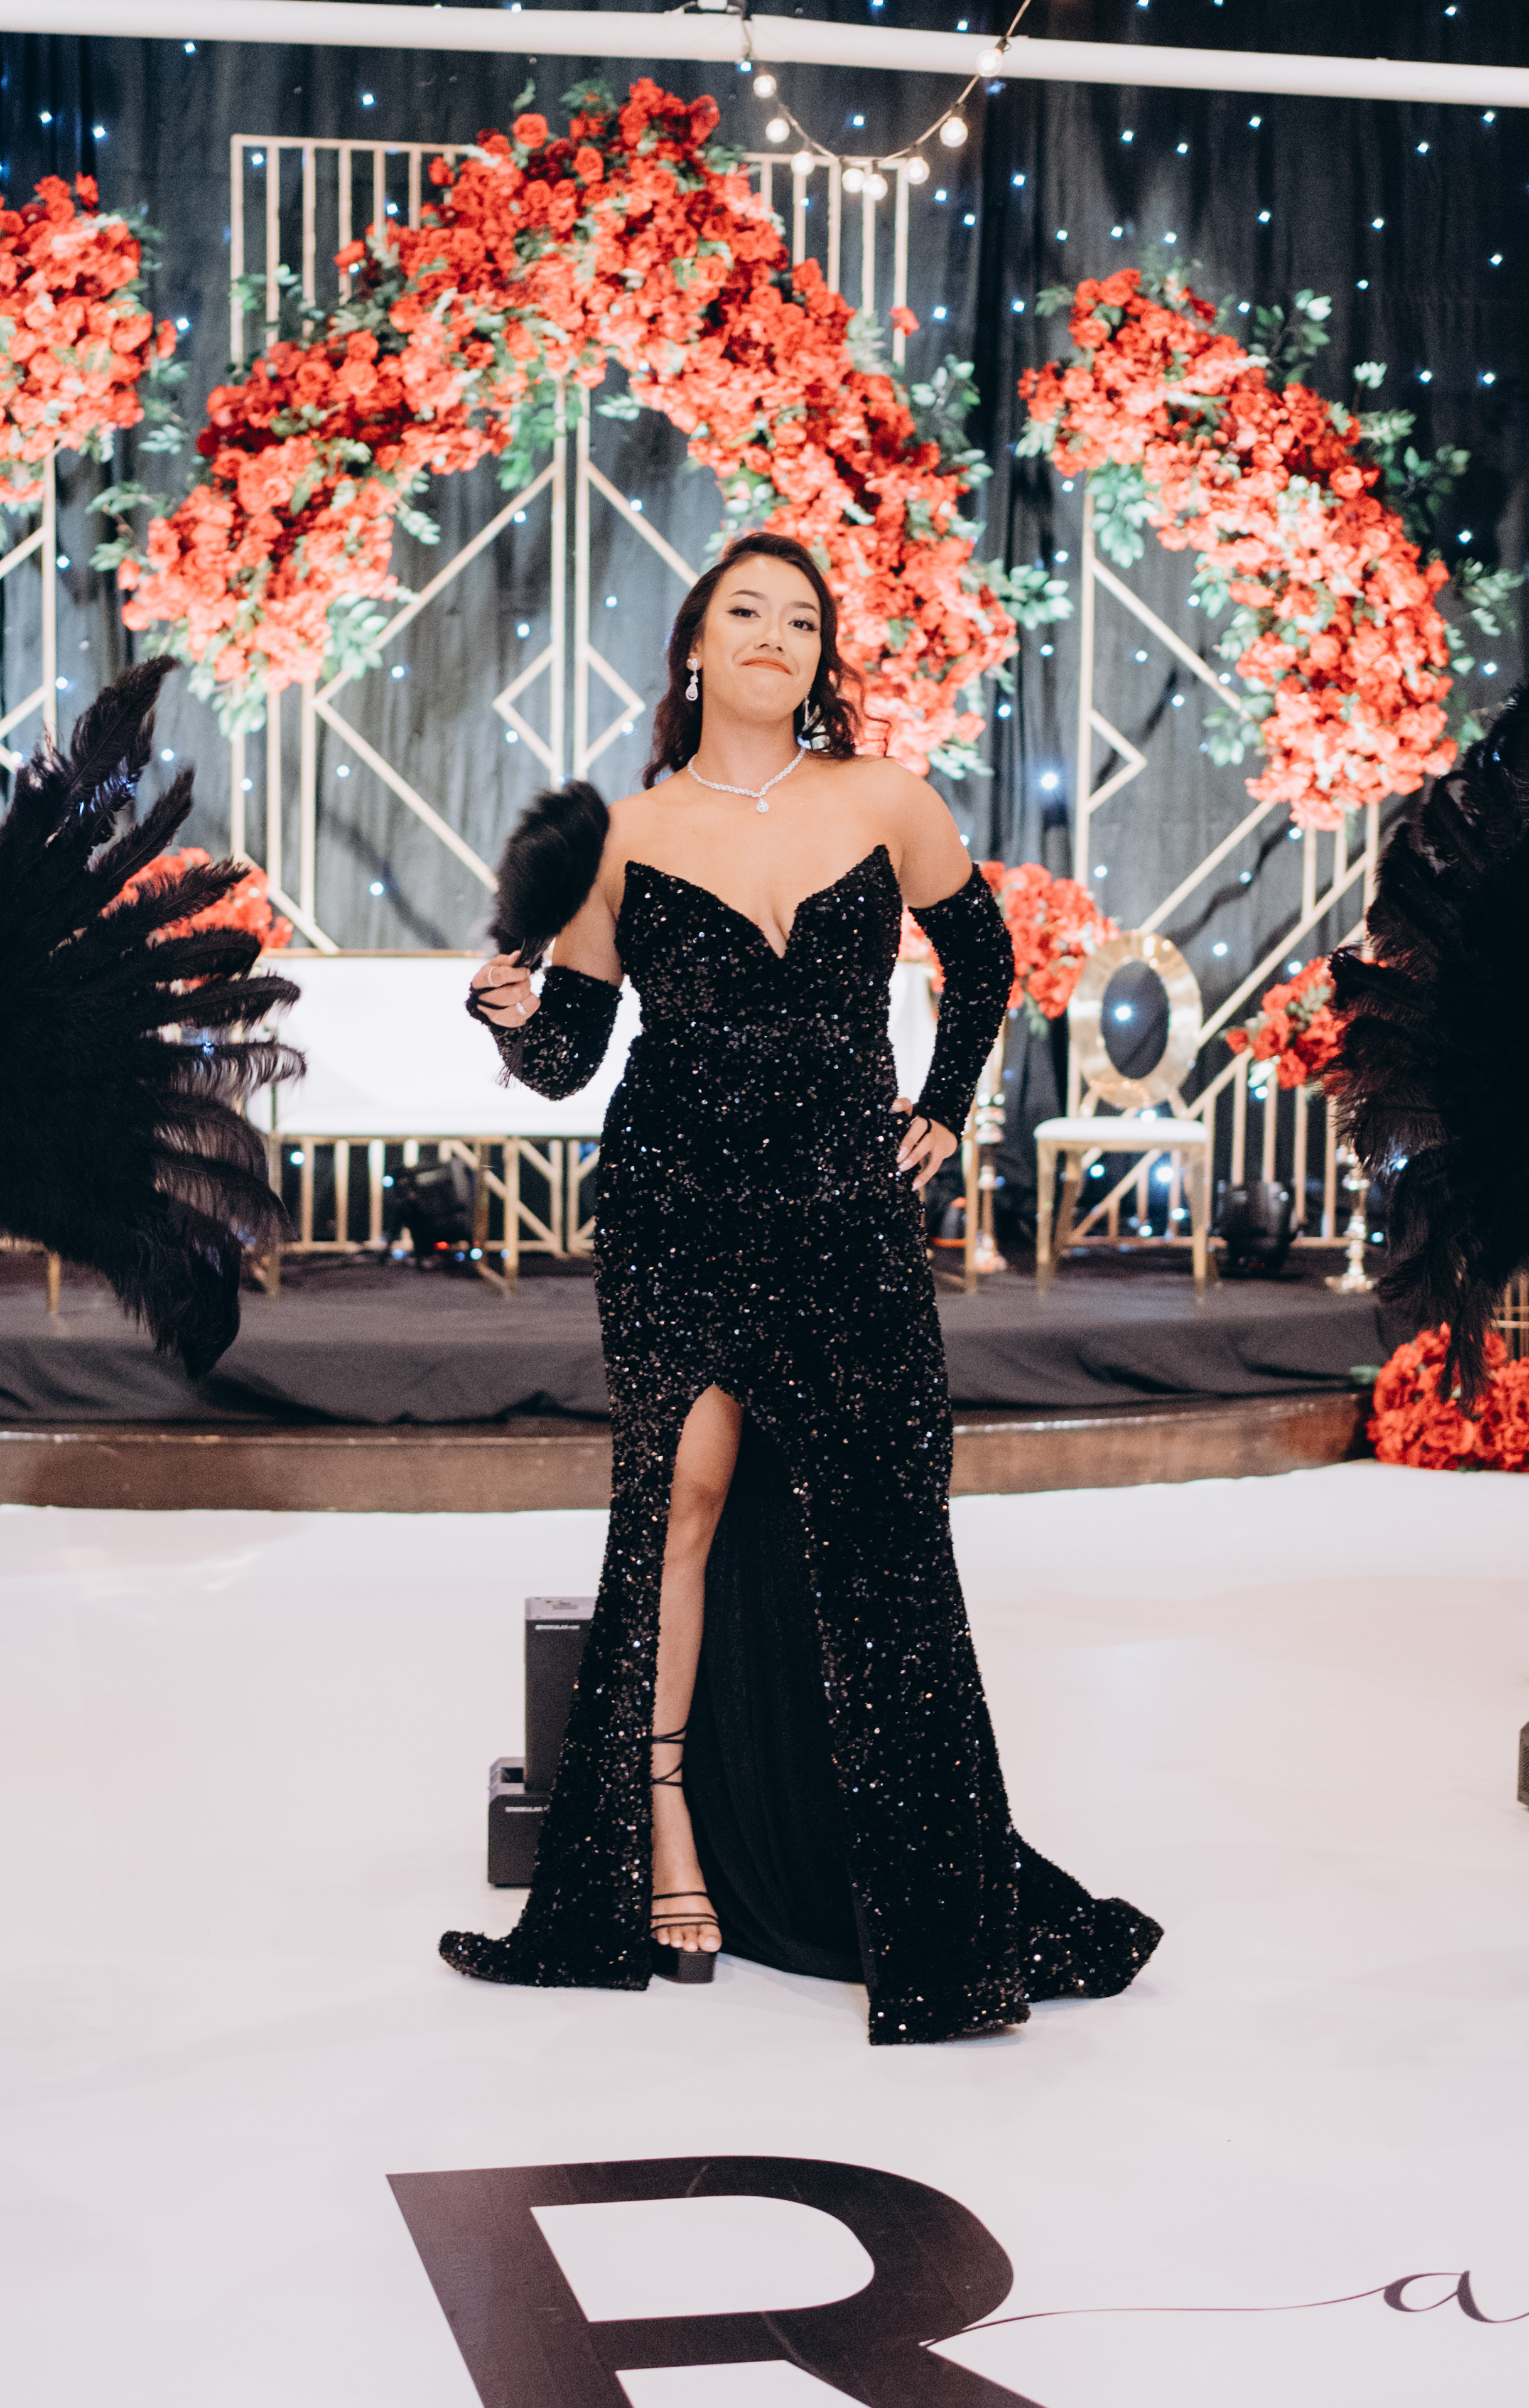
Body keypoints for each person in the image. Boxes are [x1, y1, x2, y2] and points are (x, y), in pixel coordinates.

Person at [441, 532, 1160, 2046]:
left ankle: (907, 1884)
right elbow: (573, 1058)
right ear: (697, 646)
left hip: (847, 1219)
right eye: (747, 611)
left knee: (889, 1532)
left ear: (822, 659)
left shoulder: (884, 798)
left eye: (803, 620)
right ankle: (667, 1829)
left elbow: (983, 957)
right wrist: (509, 1017)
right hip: (677, 1212)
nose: (775, 634)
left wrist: (947, 1105)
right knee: (684, 1503)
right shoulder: (624, 836)